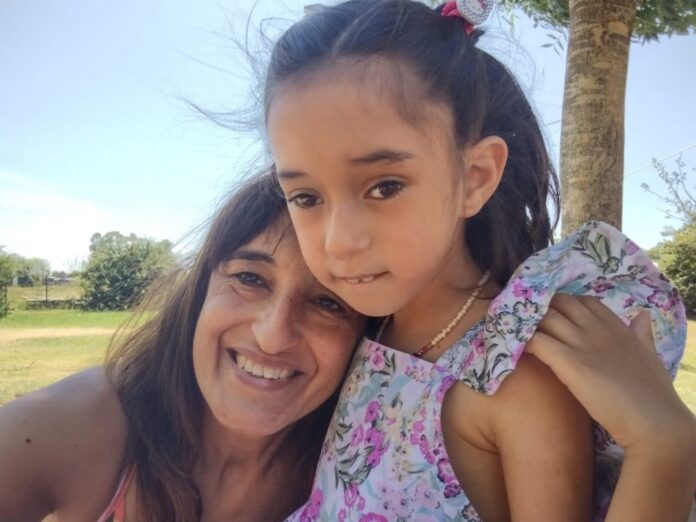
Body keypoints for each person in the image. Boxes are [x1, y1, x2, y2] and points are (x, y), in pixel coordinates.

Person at [262, 0, 696, 520]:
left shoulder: (514, 381)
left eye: (385, 186)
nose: (339, 241)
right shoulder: (356, 333)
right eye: (306, 197)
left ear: (476, 178)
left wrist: (664, 444)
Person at [0, 172, 365, 522]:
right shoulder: (81, 425)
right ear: (201, 288)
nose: (272, 336)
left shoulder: (369, 471)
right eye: (249, 278)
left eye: (328, 303)